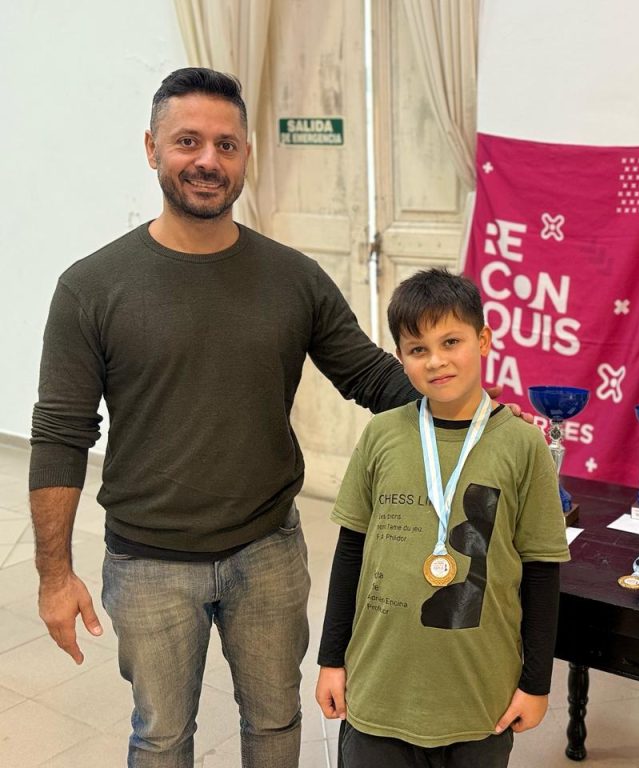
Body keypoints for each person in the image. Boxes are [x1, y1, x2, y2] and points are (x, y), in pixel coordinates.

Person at [28, 67, 512, 767]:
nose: (207, 160)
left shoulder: (292, 278)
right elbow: (61, 433)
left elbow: (372, 376)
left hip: (268, 551)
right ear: (151, 147)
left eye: (226, 145)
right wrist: (54, 575)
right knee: (161, 737)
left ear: (246, 155)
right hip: (148, 562)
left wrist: (487, 422)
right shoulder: (91, 287)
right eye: (187, 141)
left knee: (276, 723)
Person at [315, 268, 570, 767]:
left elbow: (541, 570)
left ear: (483, 340)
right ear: (401, 358)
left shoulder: (523, 444)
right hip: (378, 690)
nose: (436, 361)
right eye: (418, 349)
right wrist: (331, 659)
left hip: (479, 697)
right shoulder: (382, 435)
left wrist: (536, 683)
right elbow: (350, 553)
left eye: (451, 341)